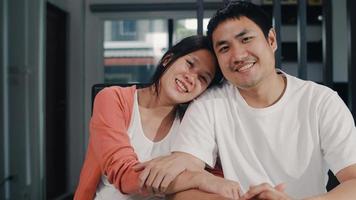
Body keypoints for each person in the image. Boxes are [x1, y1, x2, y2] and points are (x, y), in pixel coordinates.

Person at [137, 1, 356, 200]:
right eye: (224, 48)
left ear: (271, 40)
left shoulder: (321, 101)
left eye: (246, 39)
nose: (238, 55)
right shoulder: (209, 104)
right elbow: (182, 186)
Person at [73, 35, 236, 200]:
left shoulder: (194, 122)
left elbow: (216, 178)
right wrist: (198, 179)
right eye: (189, 64)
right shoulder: (112, 98)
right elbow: (124, 176)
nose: (191, 77)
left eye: (203, 78)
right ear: (168, 59)